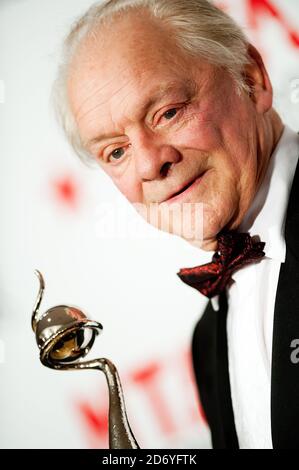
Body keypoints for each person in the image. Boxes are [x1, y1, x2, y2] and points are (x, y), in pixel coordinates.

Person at [52, 0, 299, 449]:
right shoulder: (206, 343)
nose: (149, 164)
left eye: (167, 112)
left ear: (251, 78)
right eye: (116, 151)